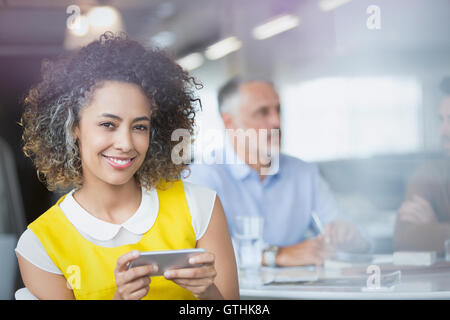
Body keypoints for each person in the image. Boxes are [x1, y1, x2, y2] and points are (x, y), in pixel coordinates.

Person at [14, 32, 239, 300]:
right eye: (108, 124)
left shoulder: (200, 206)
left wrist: (207, 291)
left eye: (139, 127)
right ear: (73, 127)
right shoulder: (40, 245)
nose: (125, 143)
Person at [184, 76, 370, 267]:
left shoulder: (304, 173)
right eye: (262, 112)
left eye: (278, 110)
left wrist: (350, 238)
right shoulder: (201, 177)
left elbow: (355, 237)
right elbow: (200, 251)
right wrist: (276, 255)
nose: (276, 121)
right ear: (229, 122)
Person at [393, 77, 450, 254]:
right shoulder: (429, 174)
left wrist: (434, 230)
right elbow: (405, 239)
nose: (443, 131)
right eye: (442, 120)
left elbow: (425, 238)